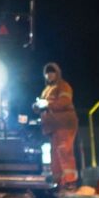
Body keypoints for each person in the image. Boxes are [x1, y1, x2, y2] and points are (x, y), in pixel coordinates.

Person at [34, 62, 79, 190]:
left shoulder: (64, 86)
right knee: (55, 153)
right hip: (53, 127)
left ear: (57, 73)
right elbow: (44, 106)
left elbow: (64, 102)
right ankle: (59, 182)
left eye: (51, 72)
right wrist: (37, 106)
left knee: (64, 151)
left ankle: (70, 182)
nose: (49, 75)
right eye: (47, 73)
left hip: (64, 124)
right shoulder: (46, 90)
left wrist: (46, 104)